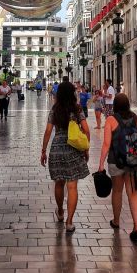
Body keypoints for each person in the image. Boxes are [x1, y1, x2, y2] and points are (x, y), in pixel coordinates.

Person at [41, 81, 90, 234]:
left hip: (57, 148)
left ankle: (61, 212)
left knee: (58, 183)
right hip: (73, 149)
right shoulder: (76, 109)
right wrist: (86, 149)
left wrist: (43, 150)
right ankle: (69, 222)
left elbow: (48, 131)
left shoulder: (55, 109)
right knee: (72, 186)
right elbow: (87, 130)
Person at [98, 93, 137, 244]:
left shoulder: (111, 120)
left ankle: (116, 221)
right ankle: (136, 228)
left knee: (117, 191)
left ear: (116, 105)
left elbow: (106, 144)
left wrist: (100, 164)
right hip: (134, 162)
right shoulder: (136, 118)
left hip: (116, 161)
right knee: (134, 193)